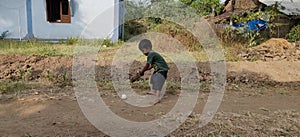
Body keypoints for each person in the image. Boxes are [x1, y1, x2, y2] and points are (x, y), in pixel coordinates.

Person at [137, 39, 169, 104]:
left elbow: (147, 65)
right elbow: (152, 64)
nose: (143, 53)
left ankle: (157, 98)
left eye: (143, 51)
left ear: (148, 48)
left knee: (158, 82)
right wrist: (147, 69)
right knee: (153, 78)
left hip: (162, 70)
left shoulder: (151, 54)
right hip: (158, 70)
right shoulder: (152, 54)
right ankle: (153, 91)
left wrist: (142, 71)